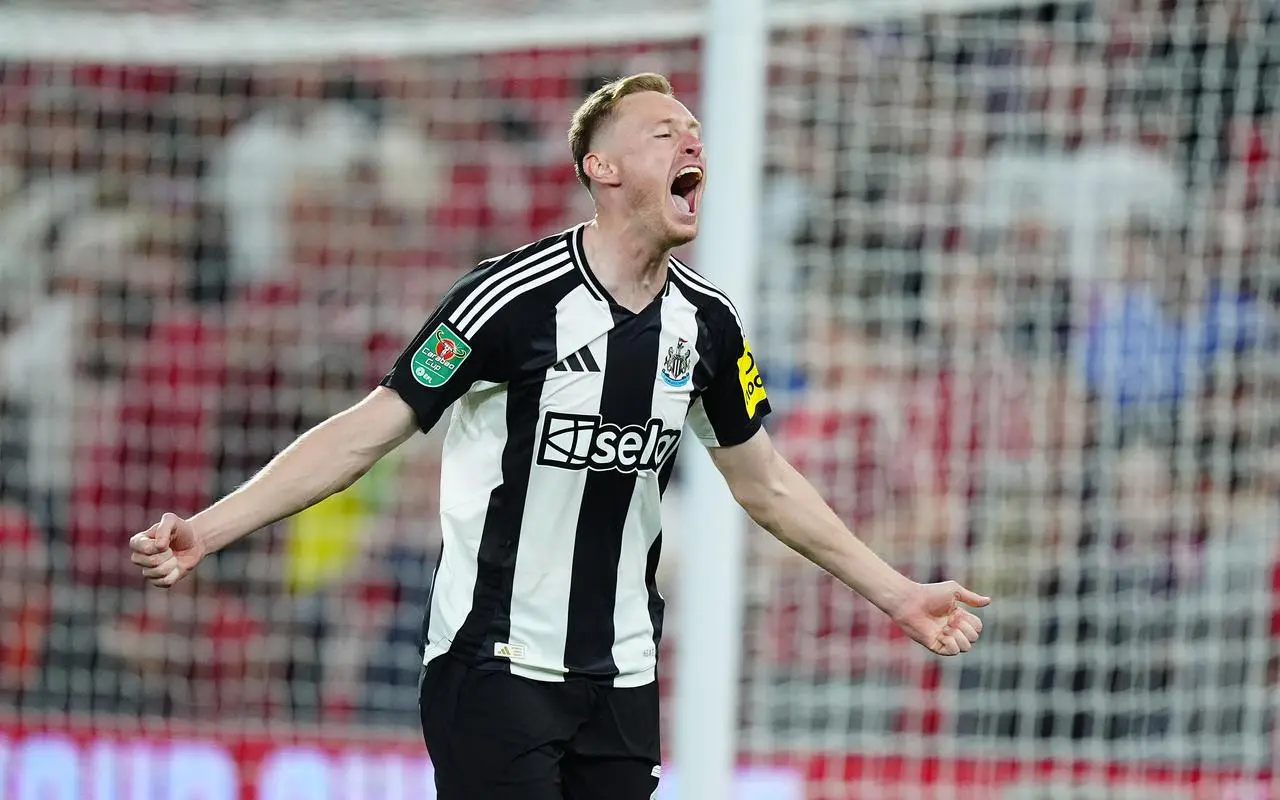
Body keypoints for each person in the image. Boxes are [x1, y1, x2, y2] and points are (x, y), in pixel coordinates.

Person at [127, 73, 989, 800]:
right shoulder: (509, 297)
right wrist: (206, 531)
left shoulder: (710, 323)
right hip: (493, 663)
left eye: (695, 132)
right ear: (602, 168)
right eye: (664, 133)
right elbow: (364, 433)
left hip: (621, 674)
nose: (692, 143)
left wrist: (896, 593)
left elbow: (765, 482)